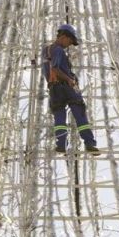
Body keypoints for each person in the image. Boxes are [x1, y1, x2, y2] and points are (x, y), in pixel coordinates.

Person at [41, 24, 99, 155]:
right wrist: (69, 79)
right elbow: (55, 67)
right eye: (70, 41)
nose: (69, 45)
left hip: (54, 89)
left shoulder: (45, 50)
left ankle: (61, 145)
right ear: (63, 36)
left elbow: (48, 69)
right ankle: (89, 143)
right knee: (79, 112)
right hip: (66, 87)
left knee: (59, 117)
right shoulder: (58, 50)